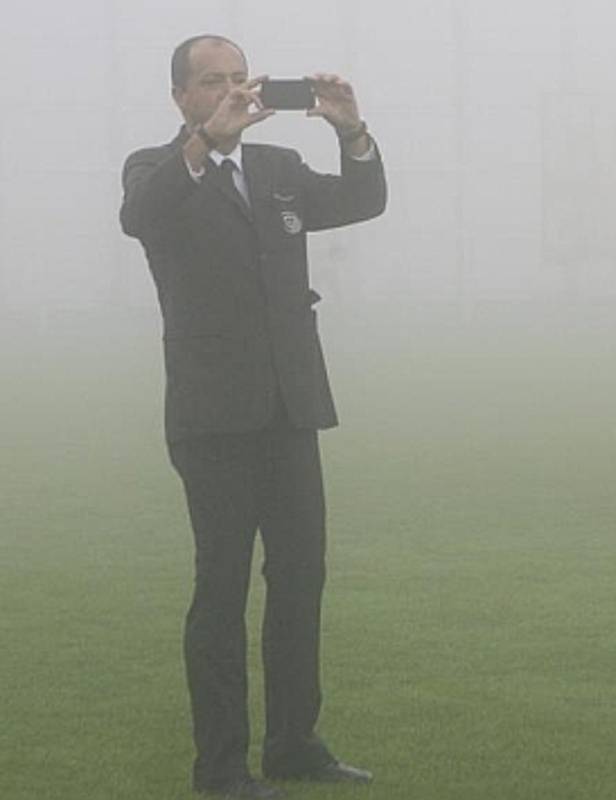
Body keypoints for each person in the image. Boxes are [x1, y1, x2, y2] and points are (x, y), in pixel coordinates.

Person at [120, 35, 386, 799]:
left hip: (291, 407)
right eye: (213, 83)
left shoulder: (279, 170)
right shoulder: (157, 168)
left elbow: (365, 199)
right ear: (182, 98)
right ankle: (221, 767)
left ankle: (295, 743)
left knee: (301, 580)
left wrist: (350, 129)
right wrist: (207, 142)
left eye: (242, 79)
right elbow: (141, 217)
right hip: (212, 420)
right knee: (223, 590)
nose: (234, 92)